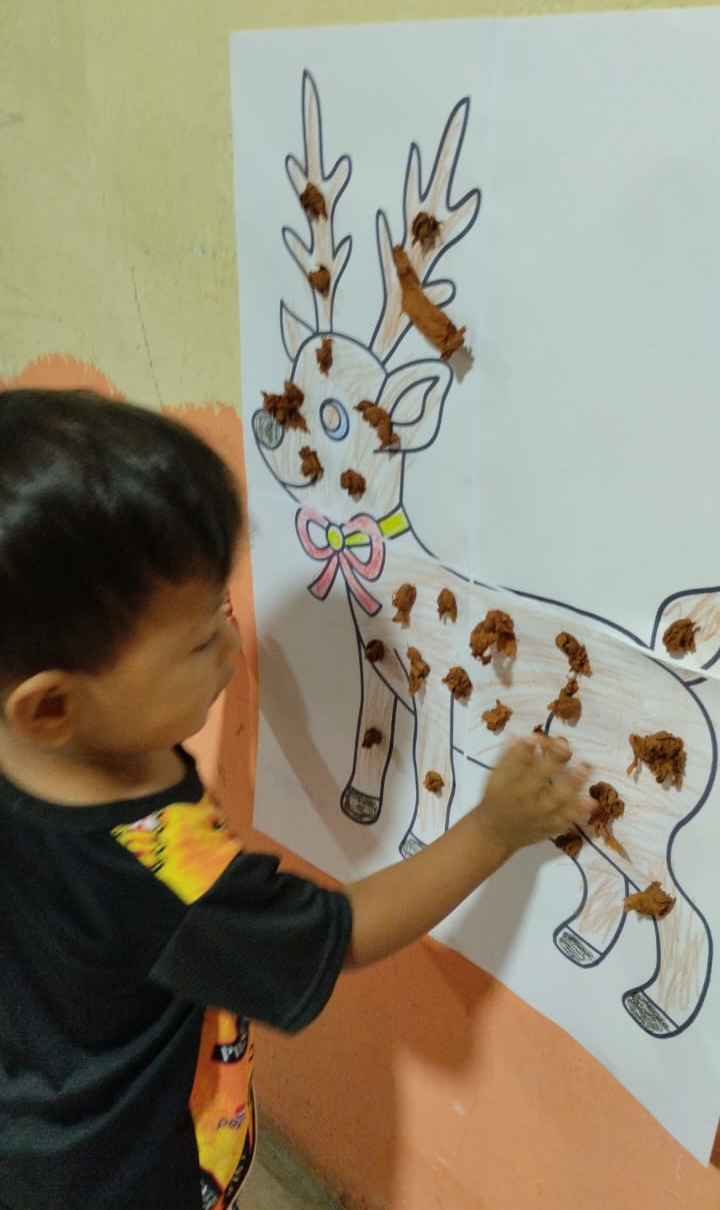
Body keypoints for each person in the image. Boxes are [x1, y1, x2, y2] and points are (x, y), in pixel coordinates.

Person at [0, 388, 592, 1210]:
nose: (233, 640)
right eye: (200, 640)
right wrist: (494, 828)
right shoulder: (166, 867)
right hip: (124, 1172)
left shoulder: (35, 741)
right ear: (52, 707)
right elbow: (340, 936)